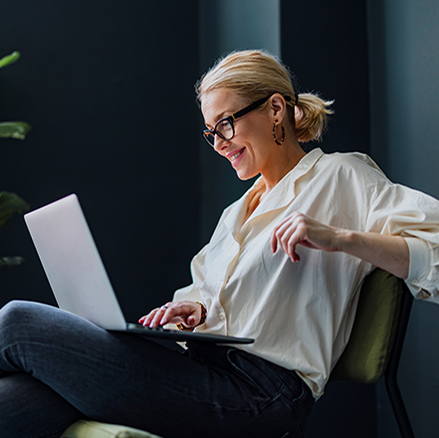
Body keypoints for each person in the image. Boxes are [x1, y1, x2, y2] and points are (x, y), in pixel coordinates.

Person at [1, 49, 439, 438]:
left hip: (262, 396)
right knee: (17, 398)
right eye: (211, 132)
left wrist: (341, 238)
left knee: (17, 321)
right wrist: (196, 310)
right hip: (199, 370)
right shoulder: (236, 213)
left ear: (275, 109)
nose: (220, 144)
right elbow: (209, 297)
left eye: (226, 124)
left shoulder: (342, 177)